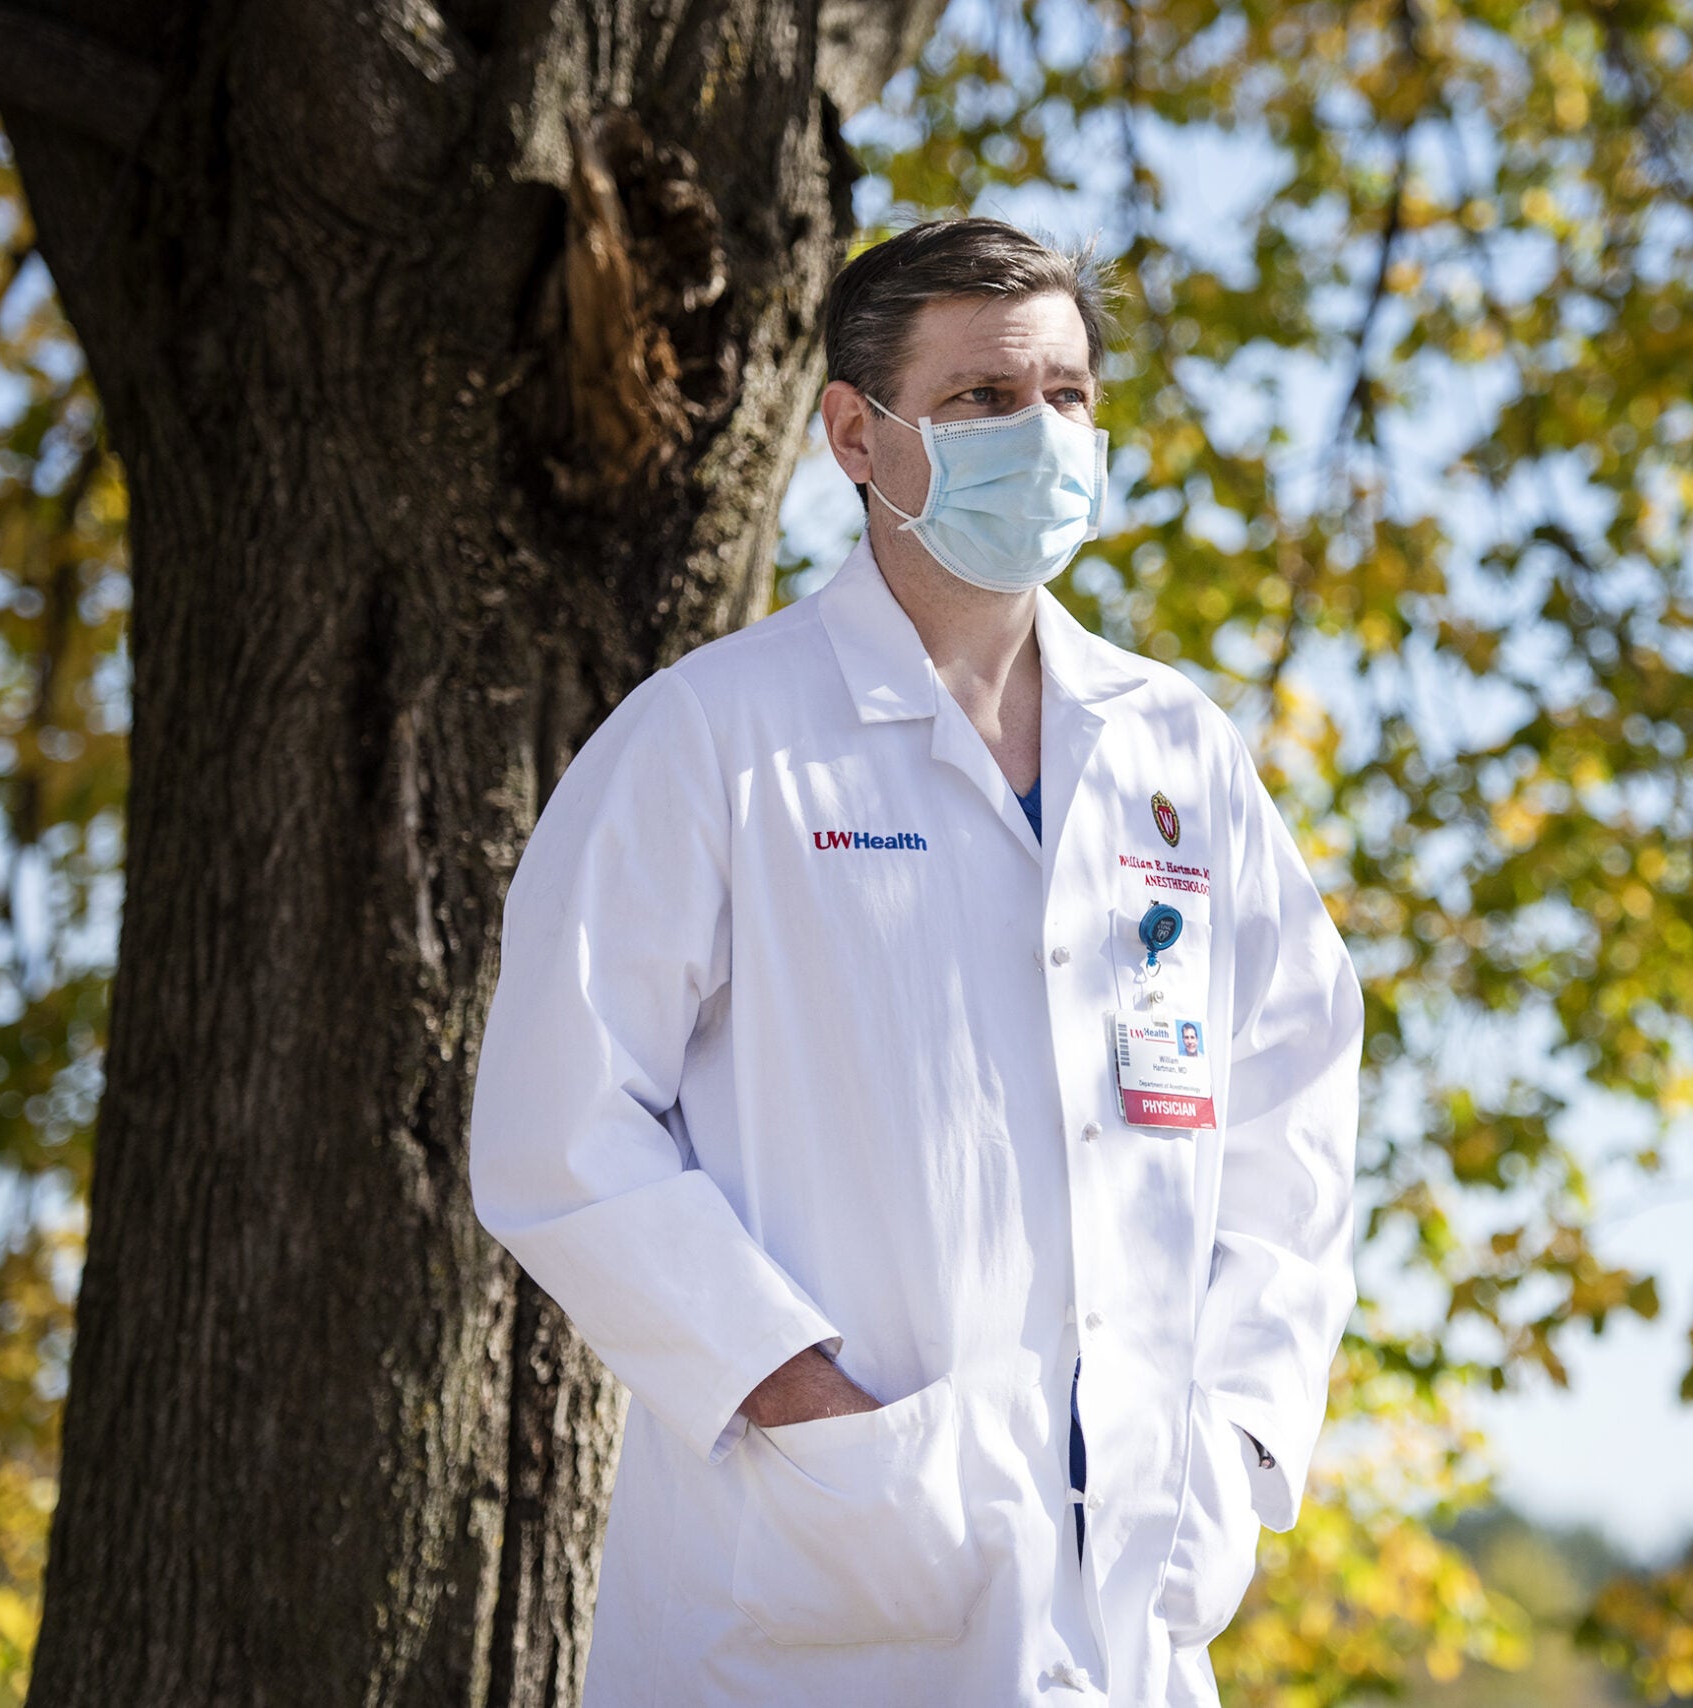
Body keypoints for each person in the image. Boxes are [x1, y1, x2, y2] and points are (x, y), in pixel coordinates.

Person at [467, 217, 1364, 1707]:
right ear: (855, 436)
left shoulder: (1176, 753)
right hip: (813, 1594)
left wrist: (1245, 1432)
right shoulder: (713, 739)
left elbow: (1293, 1101)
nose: (1044, 436)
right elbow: (559, 1131)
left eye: (1068, 398)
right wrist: (803, 1402)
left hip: (1135, 1593)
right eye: (982, 400)